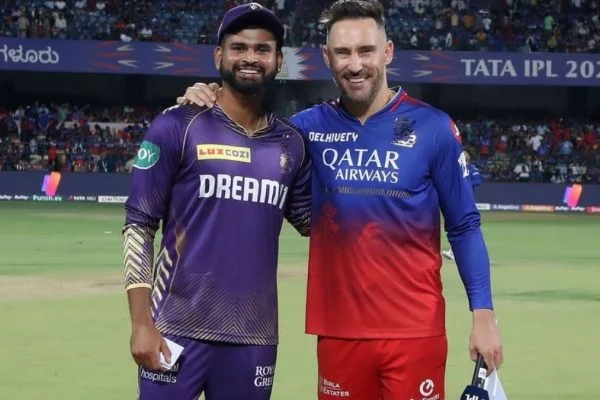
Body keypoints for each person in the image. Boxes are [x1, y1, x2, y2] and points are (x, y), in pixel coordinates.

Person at [177, 1, 503, 399]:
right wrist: (210, 97)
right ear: (327, 58)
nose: (355, 64)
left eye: (366, 50)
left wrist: (483, 315)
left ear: (387, 52)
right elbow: (245, 135)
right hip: (337, 333)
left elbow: (464, 225)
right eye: (343, 53)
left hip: (415, 331)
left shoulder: (433, 127)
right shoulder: (303, 131)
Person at [122, 3, 311, 399]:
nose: (250, 57)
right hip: (174, 328)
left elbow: (314, 223)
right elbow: (139, 225)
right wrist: (140, 323)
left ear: (278, 61)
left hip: (253, 337)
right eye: (239, 47)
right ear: (219, 56)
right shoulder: (177, 125)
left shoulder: (291, 143)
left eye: (262, 49)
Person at [443, 150, 483, 262]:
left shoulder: (471, 168)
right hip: (457, 199)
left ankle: (455, 252)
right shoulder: (457, 169)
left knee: (464, 225)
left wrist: (466, 184)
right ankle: (458, 251)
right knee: (460, 225)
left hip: (467, 200)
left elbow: (478, 181)